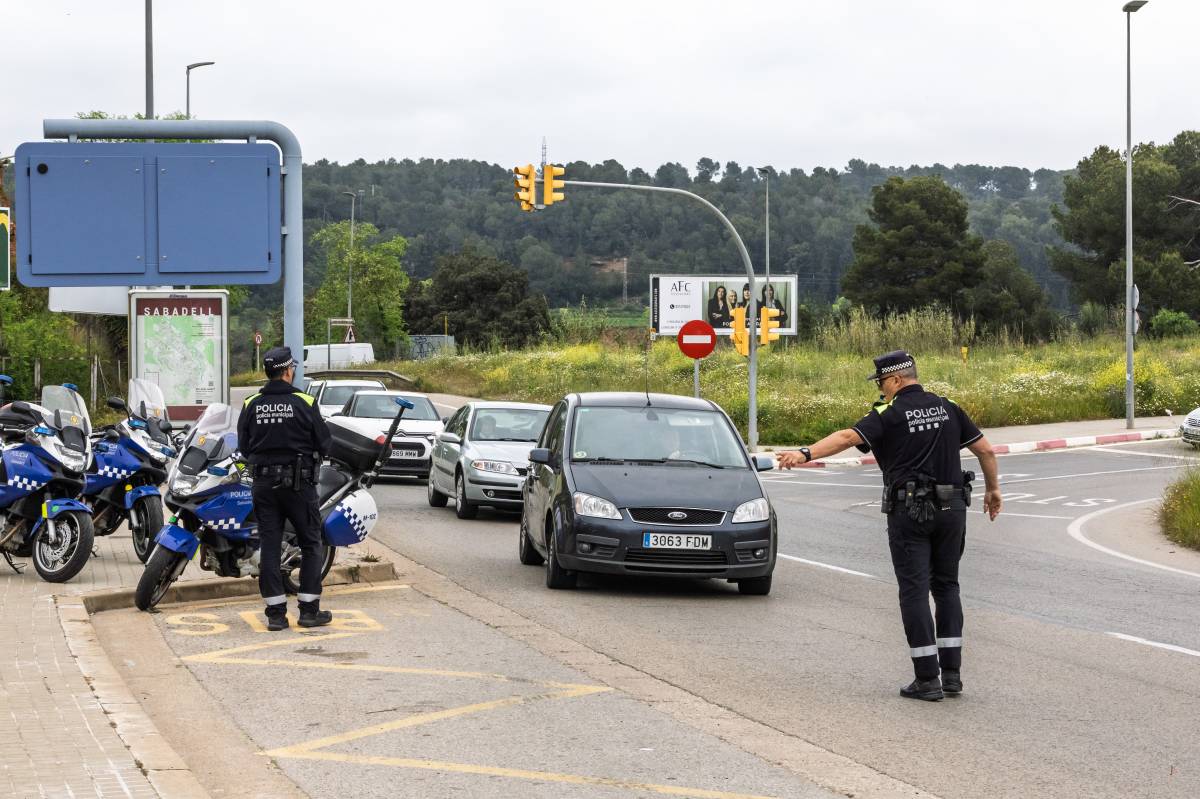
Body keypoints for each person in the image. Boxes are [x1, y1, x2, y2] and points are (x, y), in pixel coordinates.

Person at [777, 350, 1001, 701]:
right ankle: (952, 676)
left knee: (914, 590)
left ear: (897, 379)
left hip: (910, 511)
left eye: (882, 382)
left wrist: (804, 454)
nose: (881, 390)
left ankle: (928, 679)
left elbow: (847, 437)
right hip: (952, 508)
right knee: (947, 587)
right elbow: (986, 451)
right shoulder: (948, 406)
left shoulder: (889, 412)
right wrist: (993, 490)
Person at [237, 347, 333, 632]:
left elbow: (243, 446)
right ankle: (308, 611)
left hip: (264, 485)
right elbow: (324, 443)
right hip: (298, 485)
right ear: (288, 370)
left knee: (269, 546)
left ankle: (276, 615)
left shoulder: (251, 403)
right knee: (311, 543)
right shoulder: (304, 401)